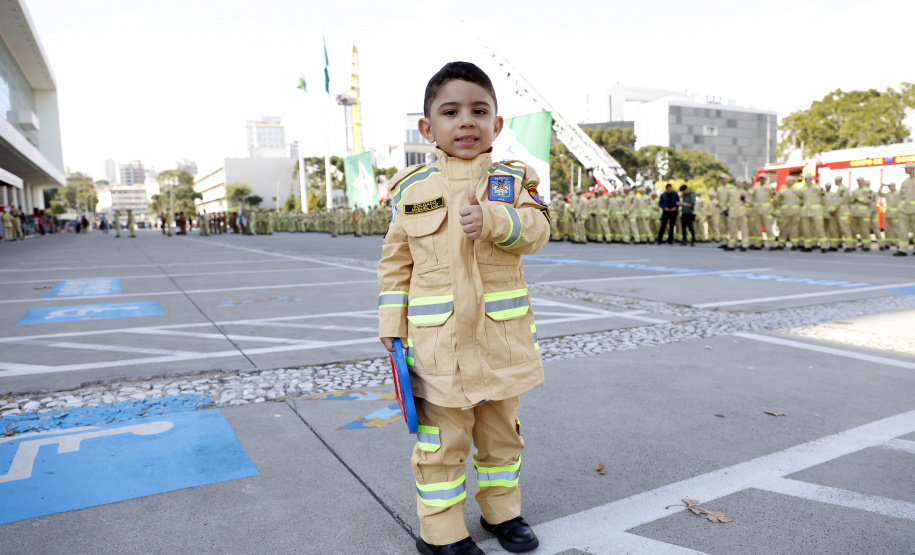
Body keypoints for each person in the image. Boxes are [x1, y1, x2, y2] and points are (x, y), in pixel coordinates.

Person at [377, 62, 547, 555]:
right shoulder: (410, 189)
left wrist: (496, 219)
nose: (466, 121)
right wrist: (391, 325)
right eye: (451, 112)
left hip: (501, 342)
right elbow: (395, 265)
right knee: (441, 446)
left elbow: (538, 233)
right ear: (428, 128)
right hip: (439, 347)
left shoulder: (514, 180)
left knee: (502, 441)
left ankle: (503, 513)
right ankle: (442, 533)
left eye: (480, 110)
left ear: (497, 124)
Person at [724, 179, 749, 251]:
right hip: (733, 212)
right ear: (737, 183)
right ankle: (732, 244)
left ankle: (744, 244)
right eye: (740, 183)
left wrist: (745, 199)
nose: (741, 184)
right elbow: (726, 201)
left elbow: (750, 202)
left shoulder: (744, 192)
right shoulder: (730, 191)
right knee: (732, 229)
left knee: (744, 229)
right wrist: (726, 209)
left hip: (742, 212)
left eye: (743, 183)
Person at [897, 161, 915, 256]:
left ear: (912, 169)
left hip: (914, 210)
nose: (905, 170)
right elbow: (900, 196)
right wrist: (899, 207)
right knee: (902, 231)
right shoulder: (905, 182)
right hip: (903, 210)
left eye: (906, 168)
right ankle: (902, 250)